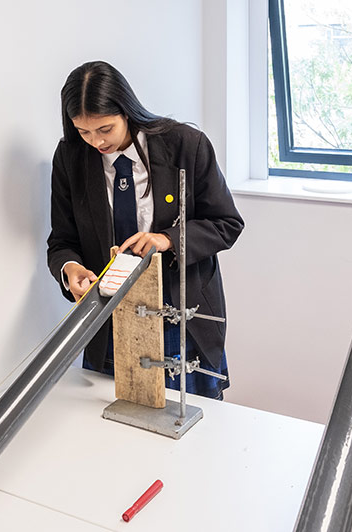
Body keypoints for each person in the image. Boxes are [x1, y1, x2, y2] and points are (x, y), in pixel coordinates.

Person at [46, 61, 244, 400]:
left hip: (178, 309)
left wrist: (167, 238)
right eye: (84, 132)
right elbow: (62, 241)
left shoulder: (186, 144)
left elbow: (227, 224)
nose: (96, 142)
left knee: (195, 421)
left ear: (126, 109)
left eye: (105, 129)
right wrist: (71, 270)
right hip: (108, 317)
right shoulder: (71, 158)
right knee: (112, 422)